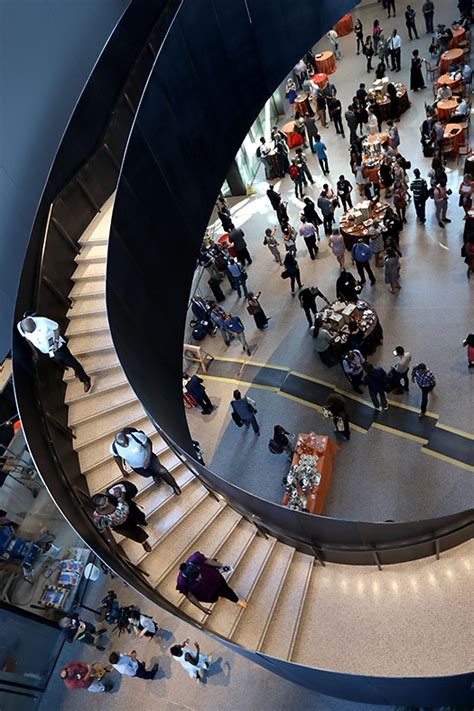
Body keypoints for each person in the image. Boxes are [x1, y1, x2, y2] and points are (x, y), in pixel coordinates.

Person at [17, 315, 91, 393]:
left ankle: (85, 379)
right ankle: (75, 368)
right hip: (47, 351)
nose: (32, 333)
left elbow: (56, 327)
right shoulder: (21, 327)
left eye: (33, 330)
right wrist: (34, 351)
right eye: (30, 332)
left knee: (73, 363)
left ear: (34, 323)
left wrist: (56, 342)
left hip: (58, 347)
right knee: (63, 363)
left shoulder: (43, 321)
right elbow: (27, 338)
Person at [111, 427, 181, 495]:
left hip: (149, 459)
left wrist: (147, 459)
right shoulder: (114, 448)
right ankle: (155, 475)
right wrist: (122, 470)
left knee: (162, 471)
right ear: (117, 442)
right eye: (123, 445)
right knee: (147, 474)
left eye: (126, 441)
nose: (126, 444)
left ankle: (174, 485)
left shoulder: (136, 436)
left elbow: (148, 444)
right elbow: (117, 458)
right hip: (137, 466)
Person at [176, 550, 248, 613]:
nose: (200, 577)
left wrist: (221, 566)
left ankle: (236, 600)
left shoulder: (195, 559)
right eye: (197, 578)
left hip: (214, 578)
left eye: (199, 574)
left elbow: (208, 561)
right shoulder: (182, 583)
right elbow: (190, 596)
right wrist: (202, 608)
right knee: (215, 596)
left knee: (226, 589)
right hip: (206, 590)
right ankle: (218, 597)